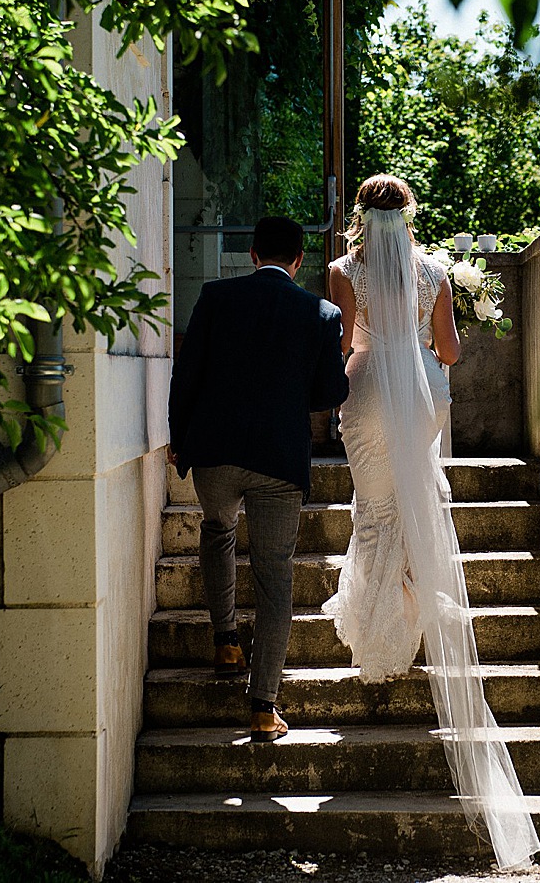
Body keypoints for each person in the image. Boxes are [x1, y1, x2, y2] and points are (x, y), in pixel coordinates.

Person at [322, 175, 540, 870]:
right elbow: (447, 351)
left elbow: (340, 346)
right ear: (409, 215)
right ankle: (408, 613)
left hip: (364, 393)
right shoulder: (436, 271)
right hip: (419, 395)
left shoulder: (341, 271)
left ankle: (378, 633)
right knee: (411, 507)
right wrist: (425, 334)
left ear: (360, 217)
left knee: (375, 512)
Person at [167, 215, 349, 743]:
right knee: (275, 576)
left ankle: (225, 640)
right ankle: (263, 707)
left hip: (216, 454)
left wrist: (181, 437)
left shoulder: (214, 297)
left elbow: (188, 373)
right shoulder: (321, 312)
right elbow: (329, 394)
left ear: (252, 254)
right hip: (279, 460)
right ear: (297, 261)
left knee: (217, 530)